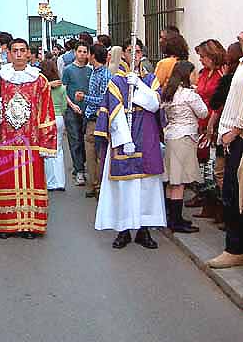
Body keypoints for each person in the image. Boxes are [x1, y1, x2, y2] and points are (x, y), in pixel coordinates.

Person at [95, 38, 166, 250]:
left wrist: (140, 86)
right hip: (124, 142)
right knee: (124, 187)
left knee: (146, 186)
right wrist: (124, 140)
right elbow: (114, 114)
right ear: (123, 54)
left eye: (137, 51)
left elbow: (154, 105)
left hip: (147, 139)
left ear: (141, 54)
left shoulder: (151, 80)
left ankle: (144, 230)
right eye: (129, 51)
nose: (133, 55)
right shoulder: (115, 82)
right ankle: (123, 229)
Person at [0, 38, 57, 239]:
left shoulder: (39, 80)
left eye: (22, 50)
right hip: (6, 141)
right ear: (9, 54)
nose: (18, 54)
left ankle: (30, 225)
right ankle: (7, 225)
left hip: (30, 143)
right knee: (7, 183)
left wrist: (46, 141)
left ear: (28, 54)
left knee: (31, 183)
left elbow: (46, 112)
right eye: (14, 50)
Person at [207, 45, 243, 269]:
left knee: (233, 192)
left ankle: (235, 249)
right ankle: (235, 248)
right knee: (231, 193)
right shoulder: (240, 65)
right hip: (234, 137)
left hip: (238, 136)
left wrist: (236, 130)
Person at [162, 61, 208, 233]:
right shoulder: (189, 94)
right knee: (179, 182)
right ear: (187, 75)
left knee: (171, 180)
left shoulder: (169, 92)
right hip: (185, 138)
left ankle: (170, 217)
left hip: (171, 136)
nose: (196, 76)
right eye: (194, 73)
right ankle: (176, 221)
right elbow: (203, 112)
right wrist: (197, 93)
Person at [187, 39, 226, 215]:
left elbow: (220, 100)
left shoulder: (220, 74)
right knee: (202, 164)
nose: (200, 60)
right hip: (201, 122)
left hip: (213, 122)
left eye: (203, 57)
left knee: (212, 166)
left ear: (212, 56)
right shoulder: (203, 73)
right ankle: (205, 199)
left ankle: (214, 204)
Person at [75, 44, 111, 198]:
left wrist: (85, 98)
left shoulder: (104, 75)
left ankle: (99, 186)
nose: (86, 56)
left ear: (94, 56)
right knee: (90, 154)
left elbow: (104, 99)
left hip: (98, 118)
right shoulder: (95, 72)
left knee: (97, 154)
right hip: (90, 117)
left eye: (88, 53)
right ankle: (94, 184)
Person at [62, 41, 91, 186]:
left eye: (85, 52)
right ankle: (79, 170)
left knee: (85, 141)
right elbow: (63, 90)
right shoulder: (68, 70)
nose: (82, 54)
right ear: (75, 52)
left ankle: (80, 165)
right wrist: (72, 105)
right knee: (75, 141)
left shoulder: (89, 71)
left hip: (87, 111)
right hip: (72, 110)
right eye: (80, 51)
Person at [40, 59, 66, 191]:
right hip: (59, 118)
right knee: (59, 150)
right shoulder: (61, 87)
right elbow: (64, 106)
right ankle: (60, 182)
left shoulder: (42, 88)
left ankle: (50, 182)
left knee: (47, 151)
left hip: (47, 118)